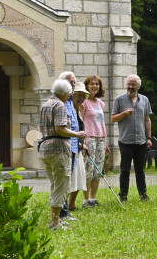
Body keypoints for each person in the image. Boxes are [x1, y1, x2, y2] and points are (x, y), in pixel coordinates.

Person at [39, 79, 86, 230]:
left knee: (55, 184)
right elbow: (60, 128)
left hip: (46, 148)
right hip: (59, 148)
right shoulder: (60, 104)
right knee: (61, 185)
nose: (69, 97)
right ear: (65, 93)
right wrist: (77, 134)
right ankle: (54, 223)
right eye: (69, 94)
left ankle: (57, 219)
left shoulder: (46, 104)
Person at [111, 74, 152, 202]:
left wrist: (149, 138)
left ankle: (143, 194)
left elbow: (147, 119)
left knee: (140, 170)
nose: (130, 86)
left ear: (138, 86)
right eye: (129, 84)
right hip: (125, 141)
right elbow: (113, 118)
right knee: (125, 170)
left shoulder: (144, 100)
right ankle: (123, 195)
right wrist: (124, 113)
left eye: (133, 84)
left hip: (140, 140)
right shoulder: (119, 99)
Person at [81, 75, 110, 207]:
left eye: (97, 84)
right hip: (89, 138)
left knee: (98, 169)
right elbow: (80, 122)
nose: (95, 86)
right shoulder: (84, 103)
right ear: (87, 86)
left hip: (100, 138)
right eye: (92, 84)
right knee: (89, 168)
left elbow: (101, 123)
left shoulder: (99, 103)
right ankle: (86, 200)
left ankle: (93, 198)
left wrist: (106, 141)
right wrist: (81, 141)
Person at [58, 71, 79, 220]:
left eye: (74, 82)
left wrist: (79, 142)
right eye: (71, 82)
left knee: (68, 180)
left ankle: (64, 210)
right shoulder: (61, 101)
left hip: (73, 146)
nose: (73, 84)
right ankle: (63, 212)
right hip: (64, 145)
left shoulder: (70, 100)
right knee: (63, 180)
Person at [68, 82, 90, 210]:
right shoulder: (69, 108)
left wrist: (82, 145)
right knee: (70, 178)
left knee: (79, 176)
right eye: (79, 95)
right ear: (73, 95)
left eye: (83, 96)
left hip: (77, 147)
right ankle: (65, 206)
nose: (81, 98)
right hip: (70, 148)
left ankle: (71, 204)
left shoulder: (77, 110)